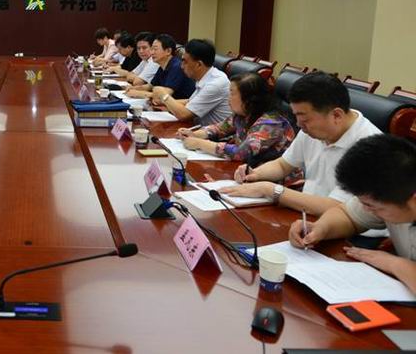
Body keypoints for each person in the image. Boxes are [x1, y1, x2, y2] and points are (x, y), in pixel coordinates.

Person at [220, 72, 382, 215]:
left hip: (350, 232)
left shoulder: (370, 147)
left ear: (336, 115)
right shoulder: (312, 129)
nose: (298, 125)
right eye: (296, 116)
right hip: (306, 215)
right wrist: (255, 174)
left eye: (304, 119)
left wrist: (270, 190)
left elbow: (337, 207)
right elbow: (283, 165)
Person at [288, 134, 416, 293]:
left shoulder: (396, 192)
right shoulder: (392, 191)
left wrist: (395, 264)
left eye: (371, 206)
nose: (367, 210)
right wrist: (321, 228)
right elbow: (348, 215)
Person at [177, 72, 295, 163]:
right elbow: (219, 128)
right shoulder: (243, 114)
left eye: (232, 93)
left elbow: (241, 153)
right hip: (247, 172)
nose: (228, 97)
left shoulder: (271, 123)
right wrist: (193, 134)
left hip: (276, 182)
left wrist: (200, 143)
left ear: (249, 99)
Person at [151, 39, 231, 125]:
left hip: (213, 132)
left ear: (199, 64)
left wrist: (164, 96)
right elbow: (191, 102)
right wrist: (165, 102)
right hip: (198, 128)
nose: (181, 66)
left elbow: (184, 115)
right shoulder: (206, 76)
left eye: (185, 62)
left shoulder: (215, 84)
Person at [125, 34, 195, 99]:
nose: (152, 53)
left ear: (168, 51)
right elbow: (150, 86)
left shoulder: (177, 67)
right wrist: (134, 88)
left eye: (155, 49)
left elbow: (165, 94)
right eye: (151, 49)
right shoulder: (162, 66)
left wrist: (139, 93)